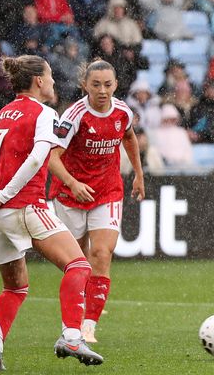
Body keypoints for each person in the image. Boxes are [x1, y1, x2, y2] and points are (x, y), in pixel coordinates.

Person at [0, 54, 104, 370]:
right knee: (79, 265)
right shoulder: (43, 112)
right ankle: (71, 335)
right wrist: (3, 195)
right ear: (39, 80)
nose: (54, 81)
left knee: (14, 287)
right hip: (24, 205)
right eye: (51, 75)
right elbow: (39, 155)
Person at [47, 59, 145, 343]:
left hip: (107, 192)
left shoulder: (123, 112)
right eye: (96, 85)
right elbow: (52, 157)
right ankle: (72, 323)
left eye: (108, 84)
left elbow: (129, 138)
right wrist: (73, 183)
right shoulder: (74, 115)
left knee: (102, 254)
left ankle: (88, 325)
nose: (102, 91)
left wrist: (138, 175)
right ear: (85, 86)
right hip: (70, 194)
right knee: (75, 263)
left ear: (116, 85)